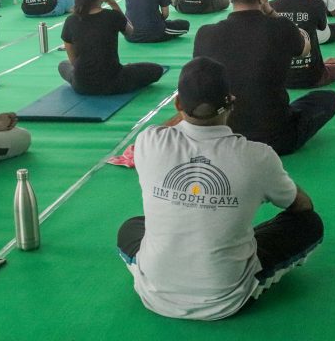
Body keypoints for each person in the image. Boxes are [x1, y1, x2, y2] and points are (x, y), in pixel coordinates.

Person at [117, 56, 323, 320]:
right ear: (232, 102)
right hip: (227, 299)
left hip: (154, 292)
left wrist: (186, 112)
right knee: (309, 223)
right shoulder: (257, 156)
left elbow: (167, 128)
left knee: (131, 226)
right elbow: (301, 205)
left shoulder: (148, 141)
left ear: (178, 104)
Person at [193, 0, 335, 155]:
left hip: (225, 135)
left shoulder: (205, 34)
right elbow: (305, 49)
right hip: (276, 138)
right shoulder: (281, 27)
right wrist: (270, 11)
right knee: (328, 99)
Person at [59, 0, 164, 95]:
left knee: (63, 65)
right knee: (157, 70)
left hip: (82, 85)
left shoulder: (70, 20)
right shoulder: (112, 16)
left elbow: (73, 60)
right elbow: (130, 32)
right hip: (113, 82)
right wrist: (113, 3)